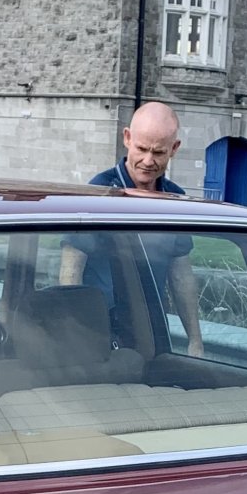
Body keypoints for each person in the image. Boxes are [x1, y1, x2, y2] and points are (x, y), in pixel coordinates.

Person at [58, 101, 203, 357]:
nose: (148, 161)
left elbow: (181, 276)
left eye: (158, 153)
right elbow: (70, 270)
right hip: (101, 329)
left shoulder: (175, 199)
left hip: (152, 329)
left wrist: (195, 341)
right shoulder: (99, 193)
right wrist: (73, 335)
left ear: (174, 149)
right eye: (142, 149)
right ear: (127, 138)